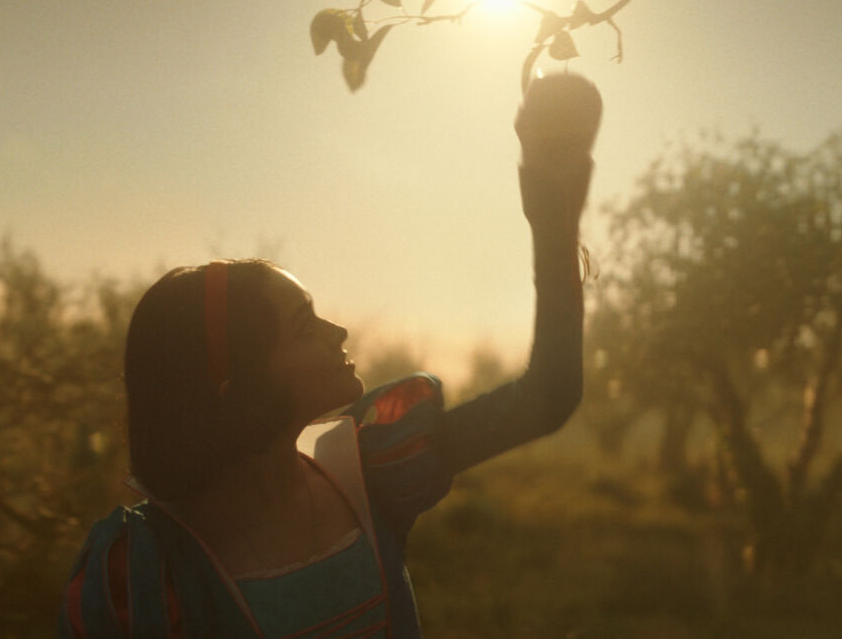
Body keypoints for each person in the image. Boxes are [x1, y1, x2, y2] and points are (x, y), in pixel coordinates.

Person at [57, 72, 600, 639]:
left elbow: (548, 395)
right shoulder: (139, 577)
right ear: (234, 379)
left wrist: (551, 208)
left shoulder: (371, 471)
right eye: (303, 323)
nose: (338, 330)